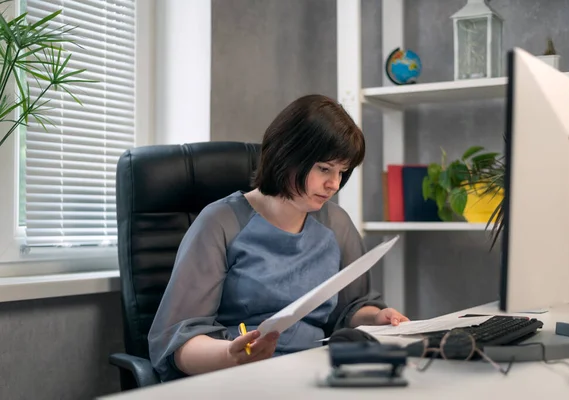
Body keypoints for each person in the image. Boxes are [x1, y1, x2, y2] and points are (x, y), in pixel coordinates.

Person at [147, 94, 409, 382]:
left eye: (341, 172)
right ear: (288, 155)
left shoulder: (337, 224)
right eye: (324, 168)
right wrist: (231, 356)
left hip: (315, 374)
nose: (334, 184)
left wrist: (374, 317)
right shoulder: (219, 223)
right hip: (238, 376)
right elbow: (177, 342)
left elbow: (352, 308)